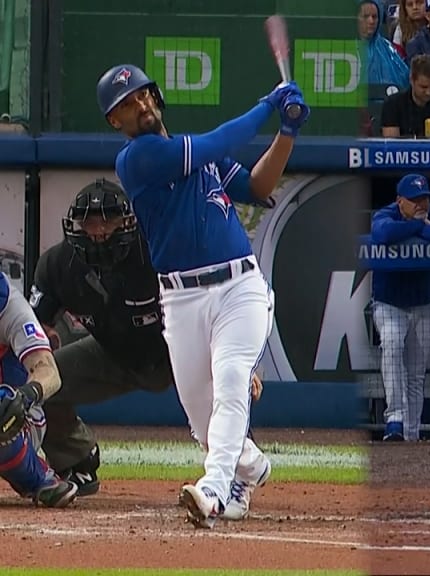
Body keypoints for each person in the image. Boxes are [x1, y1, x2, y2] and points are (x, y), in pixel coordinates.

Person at [97, 63, 309, 528]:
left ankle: (213, 488)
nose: (141, 105)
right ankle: (251, 467)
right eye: (128, 104)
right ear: (116, 121)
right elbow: (216, 143)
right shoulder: (137, 159)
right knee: (202, 421)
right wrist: (268, 106)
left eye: (144, 94)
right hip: (180, 300)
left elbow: (257, 186)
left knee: (232, 379)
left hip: (239, 287)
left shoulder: (195, 153)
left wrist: (287, 131)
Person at [30, 179, 267, 513]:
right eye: (89, 222)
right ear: (75, 226)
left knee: (228, 382)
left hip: (175, 347)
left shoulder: (160, 249)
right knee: (40, 382)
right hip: (110, 354)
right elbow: (33, 332)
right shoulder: (56, 265)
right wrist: (34, 356)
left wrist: (245, 363)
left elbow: (212, 304)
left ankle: (238, 477)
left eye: (108, 220)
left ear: (128, 221)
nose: (98, 231)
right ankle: (76, 458)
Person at [370, 174, 430, 442]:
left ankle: (410, 435)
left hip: (425, 303)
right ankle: (395, 420)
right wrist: (420, 226)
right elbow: (383, 233)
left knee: (415, 373)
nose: (422, 204)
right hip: (390, 303)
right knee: (392, 343)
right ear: (400, 201)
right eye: (414, 200)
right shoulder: (385, 214)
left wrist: (416, 224)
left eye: (424, 199)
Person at [0, 271, 77, 507]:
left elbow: (49, 373)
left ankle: (40, 478)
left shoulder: (7, 304)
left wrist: (25, 396)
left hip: (14, 418)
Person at [361, 0, 411, 88]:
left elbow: (404, 78)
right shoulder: (345, 49)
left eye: (374, 17)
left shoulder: (388, 48)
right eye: (365, 16)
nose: (371, 21)